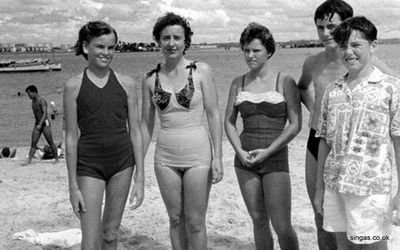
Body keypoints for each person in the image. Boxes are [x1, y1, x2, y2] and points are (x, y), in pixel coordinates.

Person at [297, 1, 400, 249]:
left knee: (366, 230)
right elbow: (302, 87)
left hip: (363, 154)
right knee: (321, 211)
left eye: (331, 26)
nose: (325, 33)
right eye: (320, 27)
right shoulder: (313, 63)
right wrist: (315, 112)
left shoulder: (377, 69)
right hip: (320, 140)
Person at [141, 12, 223, 249]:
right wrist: (137, 162)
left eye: (177, 37)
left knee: (196, 222)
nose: (171, 43)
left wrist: (217, 157)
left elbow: (214, 114)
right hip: (165, 158)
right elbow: (145, 125)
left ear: (186, 41)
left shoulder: (201, 71)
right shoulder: (149, 79)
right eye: (165, 37)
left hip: (198, 156)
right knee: (176, 219)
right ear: (158, 41)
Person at [63, 20, 144, 249]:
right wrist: (72, 186)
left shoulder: (127, 84)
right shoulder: (73, 86)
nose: (106, 53)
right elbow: (70, 136)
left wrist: (140, 176)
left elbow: (135, 132)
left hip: (122, 164)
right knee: (90, 241)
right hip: (88, 166)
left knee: (110, 234)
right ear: (86, 47)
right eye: (100, 46)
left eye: (111, 47)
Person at [224, 22, 301, 250]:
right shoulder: (238, 83)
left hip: (275, 159)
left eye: (256, 50)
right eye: (246, 50)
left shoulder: (284, 81)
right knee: (258, 220)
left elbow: (295, 124)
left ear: (269, 51)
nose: (250, 55)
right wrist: (239, 151)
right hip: (245, 160)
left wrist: (268, 151)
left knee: (282, 225)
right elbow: (228, 122)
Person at [22, 85, 59, 166]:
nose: (29, 96)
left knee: (50, 142)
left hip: (45, 124)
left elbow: (45, 113)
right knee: (33, 143)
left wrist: (40, 124)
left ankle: (56, 159)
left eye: (29, 94)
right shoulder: (33, 101)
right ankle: (28, 160)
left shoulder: (41, 101)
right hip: (37, 124)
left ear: (34, 92)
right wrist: (37, 124)